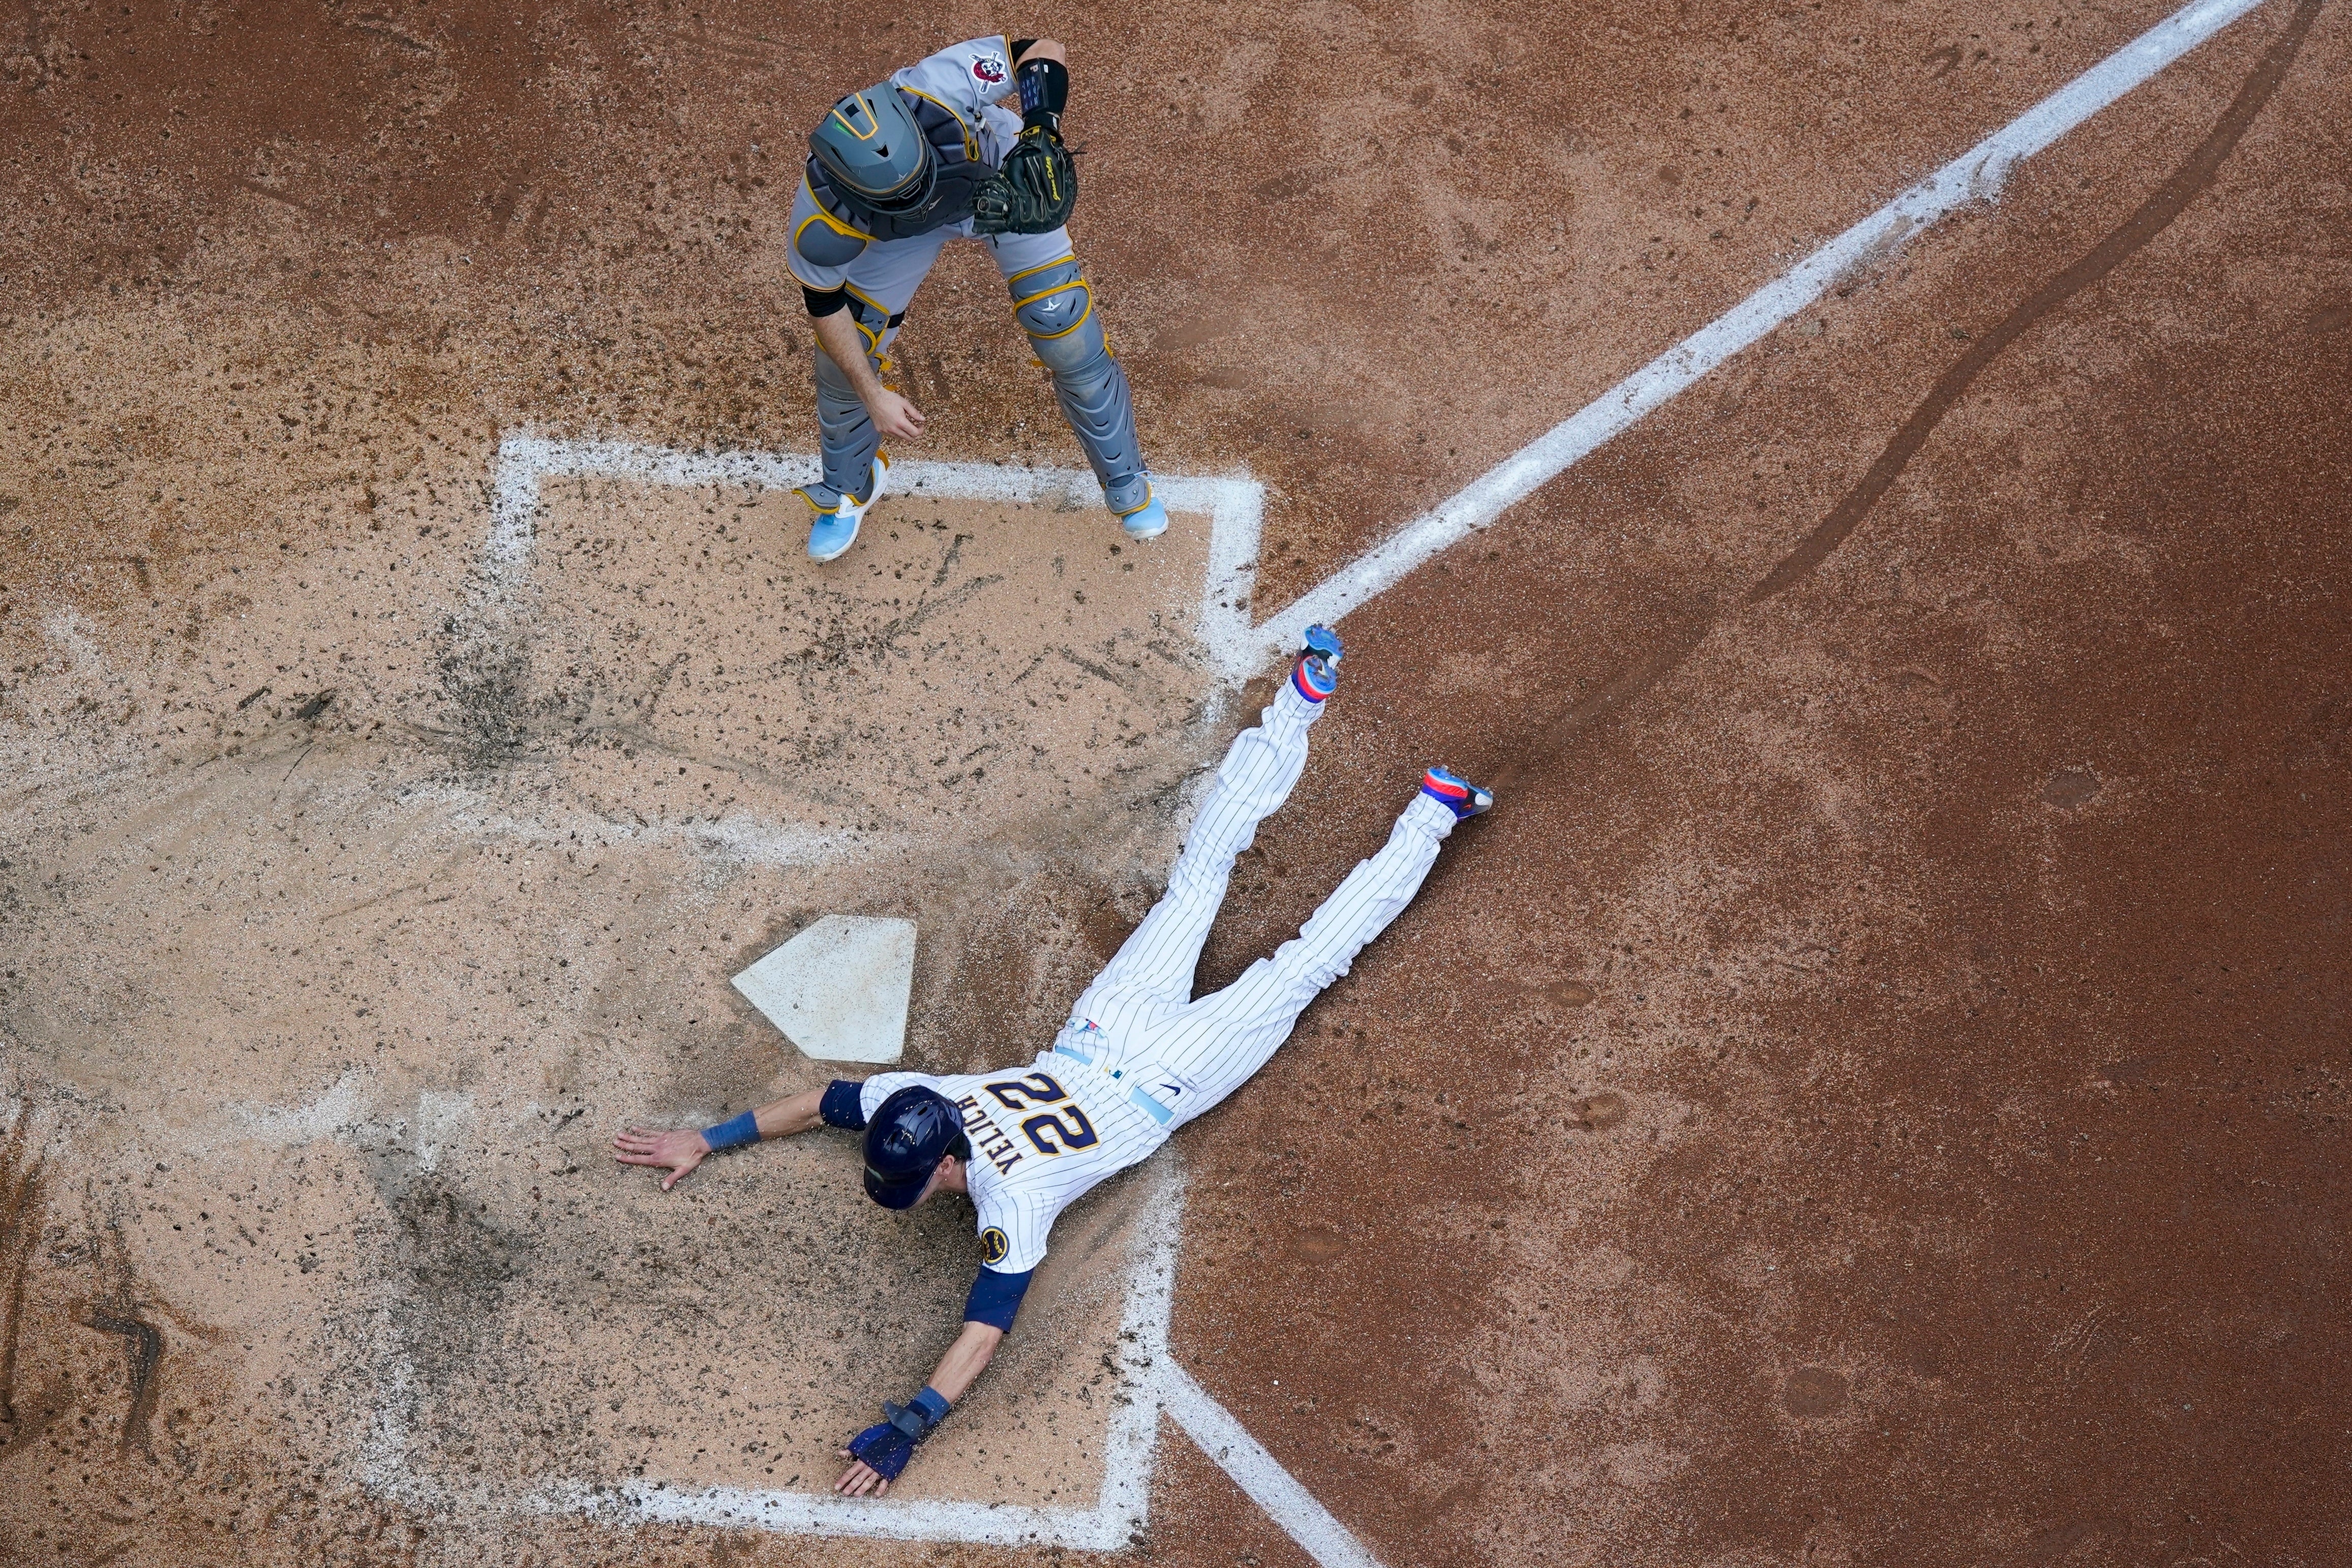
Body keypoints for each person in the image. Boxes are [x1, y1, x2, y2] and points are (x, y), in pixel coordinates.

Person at [613, 627, 1494, 1493]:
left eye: (907, 1182)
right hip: (1105, 1031)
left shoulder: (1014, 1198)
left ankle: (1432, 811)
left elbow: (984, 1330)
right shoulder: (926, 1097)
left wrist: (912, 1424)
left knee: (1303, 962)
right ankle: (1300, 703)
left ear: (946, 1162)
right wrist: (708, 1134)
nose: (902, 1194)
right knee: (1199, 879)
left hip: (1158, 1071)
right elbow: (823, 1102)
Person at [784, 32, 1166, 562]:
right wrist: (873, 395)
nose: (921, 203)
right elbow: (823, 305)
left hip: (1002, 189)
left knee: (1061, 323)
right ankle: (850, 487)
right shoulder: (824, 212)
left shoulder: (941, 85)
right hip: (903, 235)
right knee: (848, 351)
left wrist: (1042, 130)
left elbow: (1042, 51)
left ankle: (1127, 481)